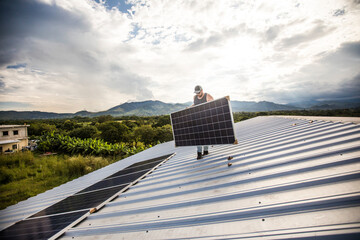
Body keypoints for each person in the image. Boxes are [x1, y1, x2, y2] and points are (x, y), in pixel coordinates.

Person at [192, 85, 214, 159]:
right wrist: (189, 108)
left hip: (206, 119)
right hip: (198, 119)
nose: (197, 94)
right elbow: (195, 105)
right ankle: (199, 153)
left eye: (198, 92)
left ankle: (205, 151)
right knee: (198, 136)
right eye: (196, 93)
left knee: (205, 135)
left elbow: (214, 105)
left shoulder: (207, 96)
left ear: (202, 90)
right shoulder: (195, 97)